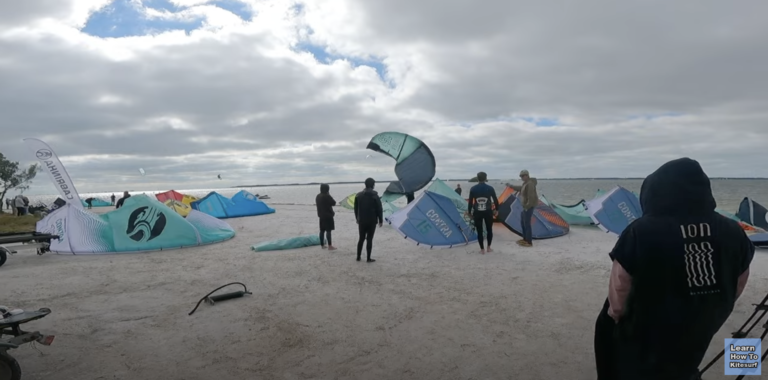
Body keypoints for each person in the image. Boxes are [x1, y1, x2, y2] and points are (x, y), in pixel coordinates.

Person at [593, 158, 755, 380]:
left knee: (609, 332)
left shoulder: (640, 231)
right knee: (683, 365)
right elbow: (738, 281)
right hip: (701, 322)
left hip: (645, 332)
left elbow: (619, 293)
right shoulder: (733, 231)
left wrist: (616, 317)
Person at [467, 172, 499, 254]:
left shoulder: (473, 188)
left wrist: (469, 212)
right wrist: (497, 210)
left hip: (477, 212)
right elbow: (495, 200)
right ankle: (488, 247)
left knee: (479, 230)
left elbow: (470, 202)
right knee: (489, 230)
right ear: (485, 178)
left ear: (477, 178)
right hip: (488, 211)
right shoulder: (490, 188)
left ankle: (482, 249)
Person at [353, 178, 383, 262]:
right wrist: (380, 220)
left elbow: (356, 208)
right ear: (372, 185)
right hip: (372, 220)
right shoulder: (375, 195)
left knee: (361, 238)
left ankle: (358, 257)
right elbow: (379, 208)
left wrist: (357, 218)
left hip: (362, 220)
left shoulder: (358, 195)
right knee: (369, 239)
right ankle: (368, 258)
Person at [517, 169, 538, 247]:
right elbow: (520, 188)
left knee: (527, 224)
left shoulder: (530, 184)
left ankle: (529, 242)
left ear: (527, 175)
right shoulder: (525, 183)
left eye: (523, 176)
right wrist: (511, 186)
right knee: (523, 222)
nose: (522, 177)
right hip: (525, 206)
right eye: (521, 176)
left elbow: (531, 197)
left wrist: (527, 206)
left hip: (528, 206)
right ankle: (525, 239)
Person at [315, 184, 337, 251]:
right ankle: (330, 246)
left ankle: (322, 245)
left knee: (322, 230)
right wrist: (329, 195)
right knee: (328, 230)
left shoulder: (318, 196)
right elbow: (334, 203)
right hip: (328, 216)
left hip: (321, 215)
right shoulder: (327, 196)